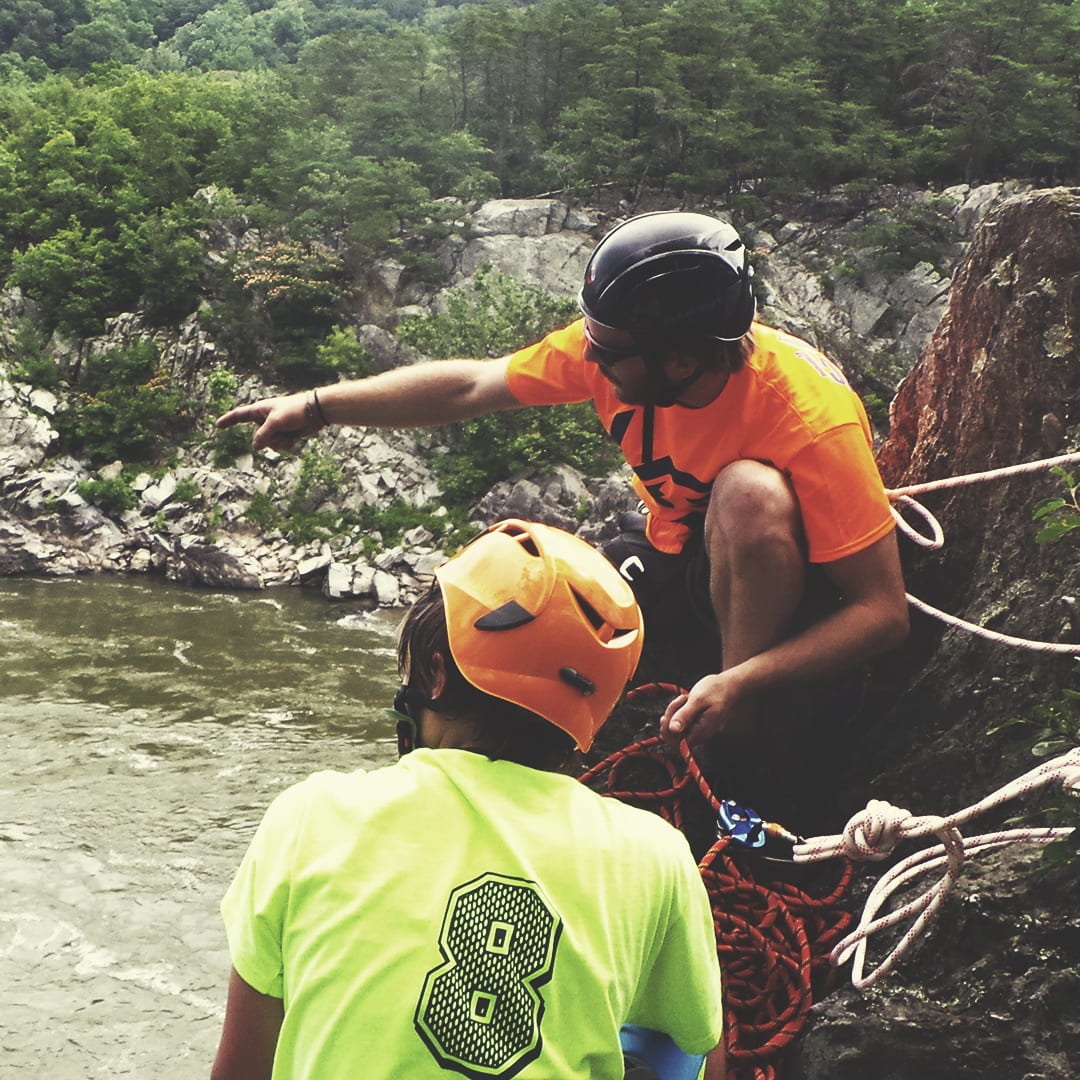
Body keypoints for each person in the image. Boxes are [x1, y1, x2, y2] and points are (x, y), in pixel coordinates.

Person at [216, 210, 909, 779]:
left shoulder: (809, 419)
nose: (590, 357)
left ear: (680, 358)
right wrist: (317, 406)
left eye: (608, 349)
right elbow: (472, 387)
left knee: (747, 494)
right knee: (509, 610)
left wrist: (745, 681)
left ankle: (734, 733)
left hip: (778, 595)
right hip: (681, 553)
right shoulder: (618, 354)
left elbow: (882, 613)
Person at [210, 518, 726, 1080]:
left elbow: (241, 1069)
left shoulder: (308, 815)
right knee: (678, 1046)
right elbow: (699, 1041)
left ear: (435, 675)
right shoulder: (656, 854)